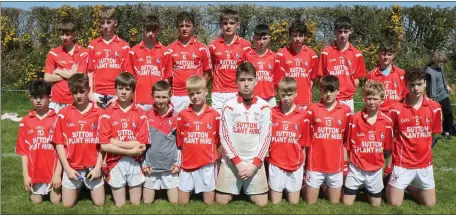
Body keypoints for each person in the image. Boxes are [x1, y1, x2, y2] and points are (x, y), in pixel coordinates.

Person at [215, 62, 271, 207]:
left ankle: (245, 187)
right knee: (221, 202)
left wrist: (254, 165)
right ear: (236, 82)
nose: (246, 84)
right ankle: (239, 186)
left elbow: (266, 138)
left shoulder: (264, 106)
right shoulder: (229, 105)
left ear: (256, 81)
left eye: (250, 79)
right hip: (232, 164)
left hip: (254, 163)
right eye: (242, 80)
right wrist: (238, 164)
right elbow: (224, 137)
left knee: (262, 203)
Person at [386, 68, 442, 207]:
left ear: (425, 84)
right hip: (402, 163)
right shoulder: (396, 108)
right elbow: (389, 137)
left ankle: (408, 187)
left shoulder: (435, 107)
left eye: (419, 84)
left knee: (430, 204)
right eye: (412, 84)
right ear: (406, 85)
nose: (416, 88)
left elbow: (433, 134)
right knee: (394, 203)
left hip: (424, 164)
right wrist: (389, 164)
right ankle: (392, 182)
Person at [51, 73, 105, 207]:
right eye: (75, 92)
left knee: (100, 203)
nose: (79, 95)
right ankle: (79, 186)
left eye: (82, 91)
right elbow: (59, 143)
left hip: (92, 167)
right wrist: (67, 168)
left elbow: (103, 143)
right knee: (67, 205)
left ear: (88, 90)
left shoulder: (99, 113)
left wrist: (98, 167)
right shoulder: (63, 113)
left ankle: (86, 185)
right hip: (72, 168)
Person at [98, 73, 150, 207]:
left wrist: (115, 142)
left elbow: (141, 143)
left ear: (133, 91)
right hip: (115, 162)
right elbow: (104, 145)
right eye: (120, 88)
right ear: (115, 89)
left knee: (136, 203)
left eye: (127, 89)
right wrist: (129, 151)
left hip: (135, 162)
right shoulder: (107, 113)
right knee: (120, 205)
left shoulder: (141, 113)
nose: (123, 92)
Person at [342, 81, 393, 207]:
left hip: (375, 170)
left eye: (375, 98)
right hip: (356, 169)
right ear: (364, 98)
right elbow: (346, 145)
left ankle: (368, 189)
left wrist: (388, 168)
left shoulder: (387, 122)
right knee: (346, 204)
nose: (371, 102)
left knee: (376, 206)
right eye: (368, 98)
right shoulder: (355, 118)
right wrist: (344, 165)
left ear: (382, 99)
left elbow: (389, 149)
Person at [304, 75, 352, 204]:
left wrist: (345, 162)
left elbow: (346, 140)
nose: (328, 94)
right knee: (310, 202)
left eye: (332, 90)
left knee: (335, 202)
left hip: (335, 165)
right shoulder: (312, 109)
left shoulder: (346, 111)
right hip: (315, 164)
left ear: (338, 91)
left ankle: (324, 186)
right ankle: (307, 183)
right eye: (325, 90)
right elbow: (306, 137)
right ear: (320, 91)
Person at [176, 75, 220, 204]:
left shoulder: (215, 115)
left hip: (207, 163)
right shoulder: (182, 115)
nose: (195, 96)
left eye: (198, 92)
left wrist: (217, 160)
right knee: (182, 203)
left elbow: (218, 141)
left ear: (206, 91)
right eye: (191, 93)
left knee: (209, 203)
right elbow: (180, 142)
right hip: (187, 163)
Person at [16, 80, 62, 204]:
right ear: (30, 98)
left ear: (49, 98)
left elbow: (62, 149)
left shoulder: (57, 118)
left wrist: (57, 174)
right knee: (36, 202)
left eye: (42, 97)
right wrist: (26, 175)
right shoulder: (25, 121)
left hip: (52, 172)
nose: (38, 101)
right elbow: (23, 152)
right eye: (35, 97)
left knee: (55, 201)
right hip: (35, 173)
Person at [268, 77, 309, 204]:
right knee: (275, 202)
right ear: (278, 93)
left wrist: (303, 165)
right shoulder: (271, 112)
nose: (286, 98)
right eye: (283, 94)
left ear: (296, 93)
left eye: (289, 95)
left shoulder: (303, 115)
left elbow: (304, 144)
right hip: (276, 163)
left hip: (295, 165)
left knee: (294, 203)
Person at [165, 11, 212, 115]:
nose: (184, 29)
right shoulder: (169, 49)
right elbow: (167, 76)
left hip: (194, 95)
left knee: (195, 127)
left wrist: (199, 89)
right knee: (176, 128)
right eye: (181, 26)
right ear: (177, 27)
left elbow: (208, 72)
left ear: (193, 27)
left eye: (188, 26)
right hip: (175, 96)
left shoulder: (202, 48)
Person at [317, 16, 367, 112]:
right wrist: (328, 93)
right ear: (335, 31)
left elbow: (357, 80)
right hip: (329, 98)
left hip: (347, 100)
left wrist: (348, 91)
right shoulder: (326, 52)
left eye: (345, 31)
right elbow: (321, 78)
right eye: (340, 32)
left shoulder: (357, 54)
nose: (342, 35)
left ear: (350, 31)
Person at [142, 80, 180, 204]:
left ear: (170, 96)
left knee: (174, 202)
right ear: (152, 96)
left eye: (164, 97)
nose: (161, 100)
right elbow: (142, 143)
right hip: (151, 166)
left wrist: (178, 164)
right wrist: (144, 164)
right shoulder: (145, 116)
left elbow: (180, 144)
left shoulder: (176, 117)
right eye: (157, 97)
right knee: (147, 203)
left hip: (170, 166)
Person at [208, 9, 252, 114]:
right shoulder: (212, 46)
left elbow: (248, 71)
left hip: (237, 91)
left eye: (232, 23)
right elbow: (210, 69)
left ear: (238, 25)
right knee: (218, 124)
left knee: (236, 124)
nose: (228, 26)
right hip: (218, 93)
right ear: (220, 25)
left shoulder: (246, 45)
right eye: (225, 23)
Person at [87, 6, 131, 109]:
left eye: (108, 22)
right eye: (102, 23)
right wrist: (90, 94)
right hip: (97, 94)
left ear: (115, 23)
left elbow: (126, 74)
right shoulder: (93, 45)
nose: (105, 26)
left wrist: (118, 95)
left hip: (117, 93)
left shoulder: (124, 46)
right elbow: (90, 72)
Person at [44, 18, 88, 113]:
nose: (64, 37)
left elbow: (80, 78)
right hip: (57, 100)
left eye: (67, 34)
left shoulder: (83, 53)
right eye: (61, 34)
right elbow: (47, 78)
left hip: (76, 99)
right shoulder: (53, 53)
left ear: (74, 34)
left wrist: (59, 71)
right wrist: (71, 74)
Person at [129, 15, 172, 112]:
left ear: (158, 30)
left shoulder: (166, 52)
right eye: (148, 30)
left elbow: (167, 79)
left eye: (153, 30)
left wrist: (165, 99)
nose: (150, 33)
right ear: (142, 29)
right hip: (138, 100)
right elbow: (130, 79)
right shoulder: (133, 51)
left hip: (158, 101)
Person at [278, 21, 319, 110]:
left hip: (305, 101)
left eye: (300, 35)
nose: (297, 38)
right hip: (287, 101)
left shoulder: (312, 54)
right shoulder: (281, 53)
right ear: (290, 36)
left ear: (305, 37)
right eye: (295, 35)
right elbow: (280, 81)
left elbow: (312, 80)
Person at [244, 24, 284, 107]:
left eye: (264, 38)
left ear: (270, 38)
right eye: (259, 39)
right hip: (252, 98)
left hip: (270, 98)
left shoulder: (275, 57)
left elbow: (278, 81)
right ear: (254, 39)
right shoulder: (248, 56)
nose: (262, 42)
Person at [366, 42, 407, 115]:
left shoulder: (401, 73)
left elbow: (405, 95)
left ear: (394, 55)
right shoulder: (371, 75)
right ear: (379, 54)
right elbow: (368, 96)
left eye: (389, 54)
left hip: (397, 113)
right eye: (383, 54)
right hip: (378, 114)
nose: (386, 57)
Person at [424, 51, 454, 140]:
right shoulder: (428, 71)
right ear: (435, 60)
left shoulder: (440, 67)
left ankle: (446, 131)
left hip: (443, 94)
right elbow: (425, 84)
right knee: (433, 116)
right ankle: (429, 132)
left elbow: (442, 77)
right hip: (433, 97)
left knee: (448, 113)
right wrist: (427, 96)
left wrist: (447, 85)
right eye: (441, 62)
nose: (442, 64)